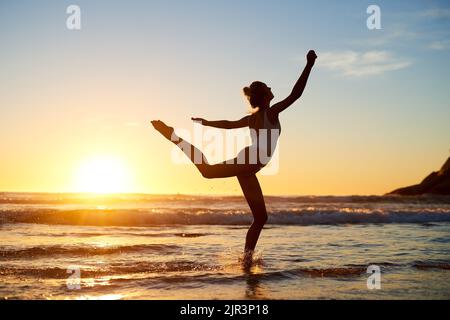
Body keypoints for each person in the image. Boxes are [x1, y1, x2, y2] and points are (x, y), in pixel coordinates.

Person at [151, 50, 317, 268]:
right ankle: (174, 137)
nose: (272, 89)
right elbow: (296, 94)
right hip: (250, 160)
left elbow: (229, 124)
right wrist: (309, 65)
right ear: (265, 95)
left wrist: (207, 122)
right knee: (207, 172)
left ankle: (246, 259)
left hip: (250, 165)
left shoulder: (253, 118)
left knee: (261, 218)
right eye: (269, 88)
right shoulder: (270, 113)